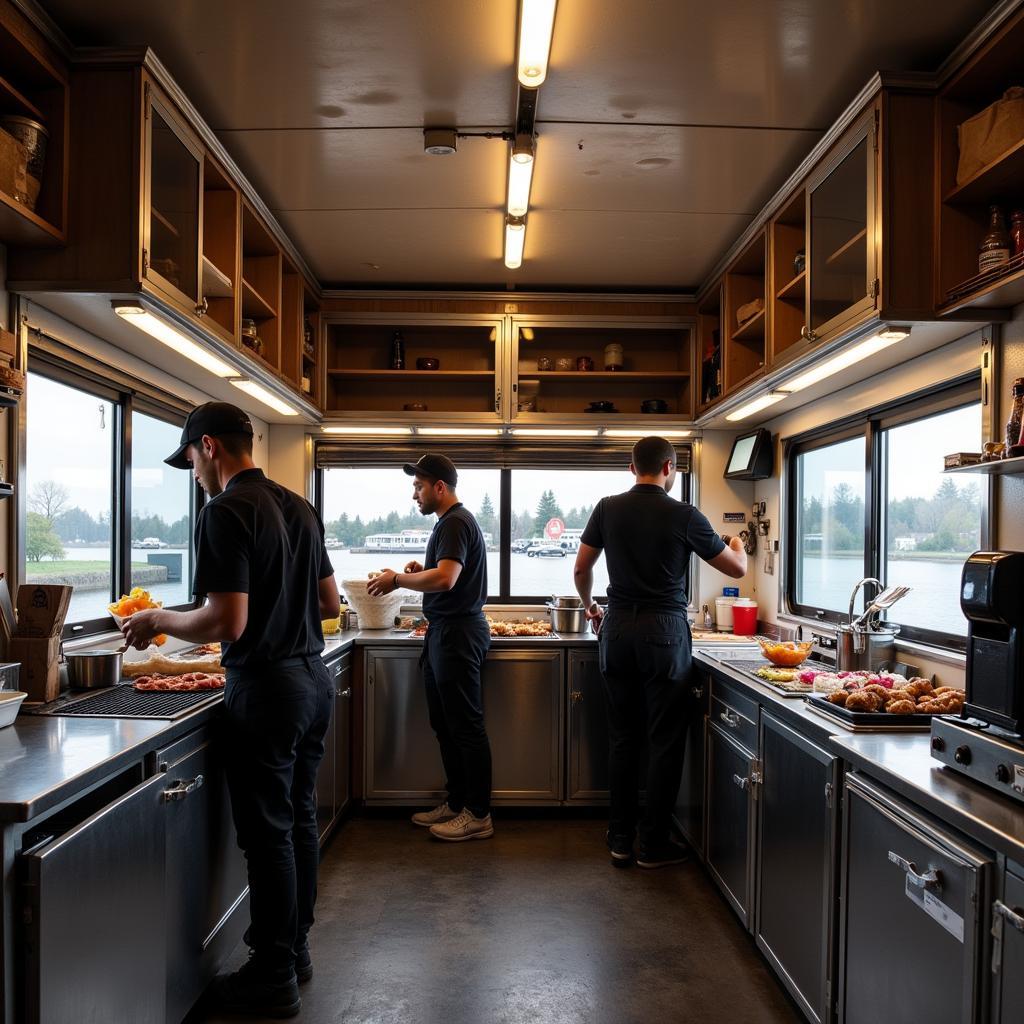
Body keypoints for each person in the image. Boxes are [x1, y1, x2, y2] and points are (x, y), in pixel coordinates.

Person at [122, 401, 340, 1019]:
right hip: (312, 681)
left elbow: (227, 619)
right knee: (297, 823)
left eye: (190, 458)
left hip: (267, 689)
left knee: (269, 834)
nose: (192, 471)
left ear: (210, 447)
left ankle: (272, 975)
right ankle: (294, 951)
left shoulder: (225, 511)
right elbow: (327, 600)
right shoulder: (299, 505)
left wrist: (158, 618)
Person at [573, 435, 746, 869]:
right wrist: (739, 541)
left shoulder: (606, 508)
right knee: (664, 743)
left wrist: (592, 607)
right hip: (665, 633)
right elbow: (737, 568)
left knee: (623, 740)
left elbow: (581, 568)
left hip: (617, 628)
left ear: (633, 468)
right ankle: (652, 845)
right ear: (670, 468)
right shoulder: (684, 514)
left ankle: (618, 838)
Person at [367, 453, 493, 842]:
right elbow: (439, 573)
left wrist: (398, 581)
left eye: (419, 487)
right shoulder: (449, 523)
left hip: (458, 634)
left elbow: (446, 579)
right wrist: (412, 574)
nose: (414, 495)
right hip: (445, 633)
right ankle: (457, 803)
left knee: (465, 726)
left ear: (440, 487)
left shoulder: (455, 522)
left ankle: (478, 814)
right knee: (446, 724)